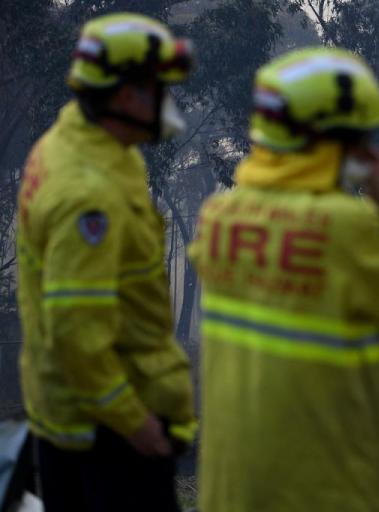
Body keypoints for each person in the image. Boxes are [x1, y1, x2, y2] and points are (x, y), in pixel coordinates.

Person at [189, 47, 379, 512]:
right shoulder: (345, 226)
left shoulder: (219, 218)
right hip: (334, 491)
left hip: (234, 492)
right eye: (363, 139)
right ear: (337, 141)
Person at [16, 13, 197, 512]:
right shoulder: (88, 194)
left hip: (83, 421)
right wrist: (137, 424)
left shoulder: (71, 145)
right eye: (156, 87)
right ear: (123, 95)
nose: (166, 99)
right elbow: (76, 329)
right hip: (108, 433)